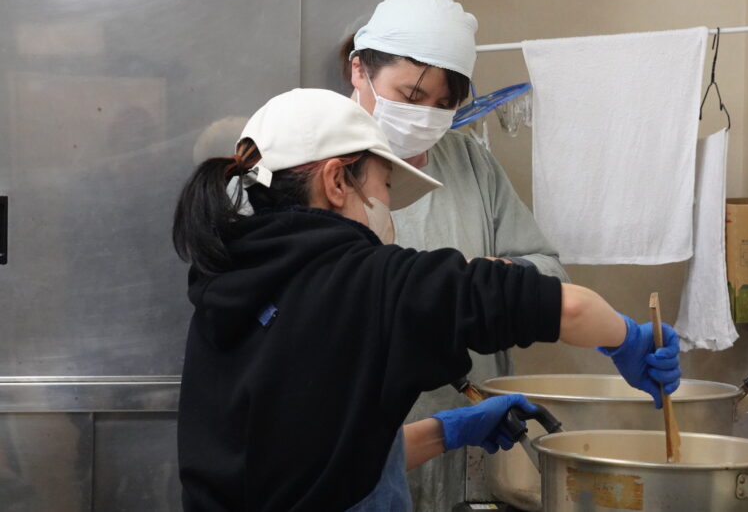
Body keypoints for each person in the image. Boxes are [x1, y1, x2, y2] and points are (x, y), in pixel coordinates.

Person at [172, 88, 681, 511]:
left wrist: (448, 431)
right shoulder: (374, 280)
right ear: (336, 181)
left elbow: (318, 463)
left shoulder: (225, 288)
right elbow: (568, 307)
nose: (388, 205)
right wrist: (628, 340)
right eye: (385, 184)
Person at [343, 0, 570, 509]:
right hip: (356, 448)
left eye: (444, 104)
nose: (426, 116)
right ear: (359, 70)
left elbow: (552, 274)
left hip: (473, 434)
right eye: (411, 96)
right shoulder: (314, 165)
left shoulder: (468, 162)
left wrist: (497, 276)